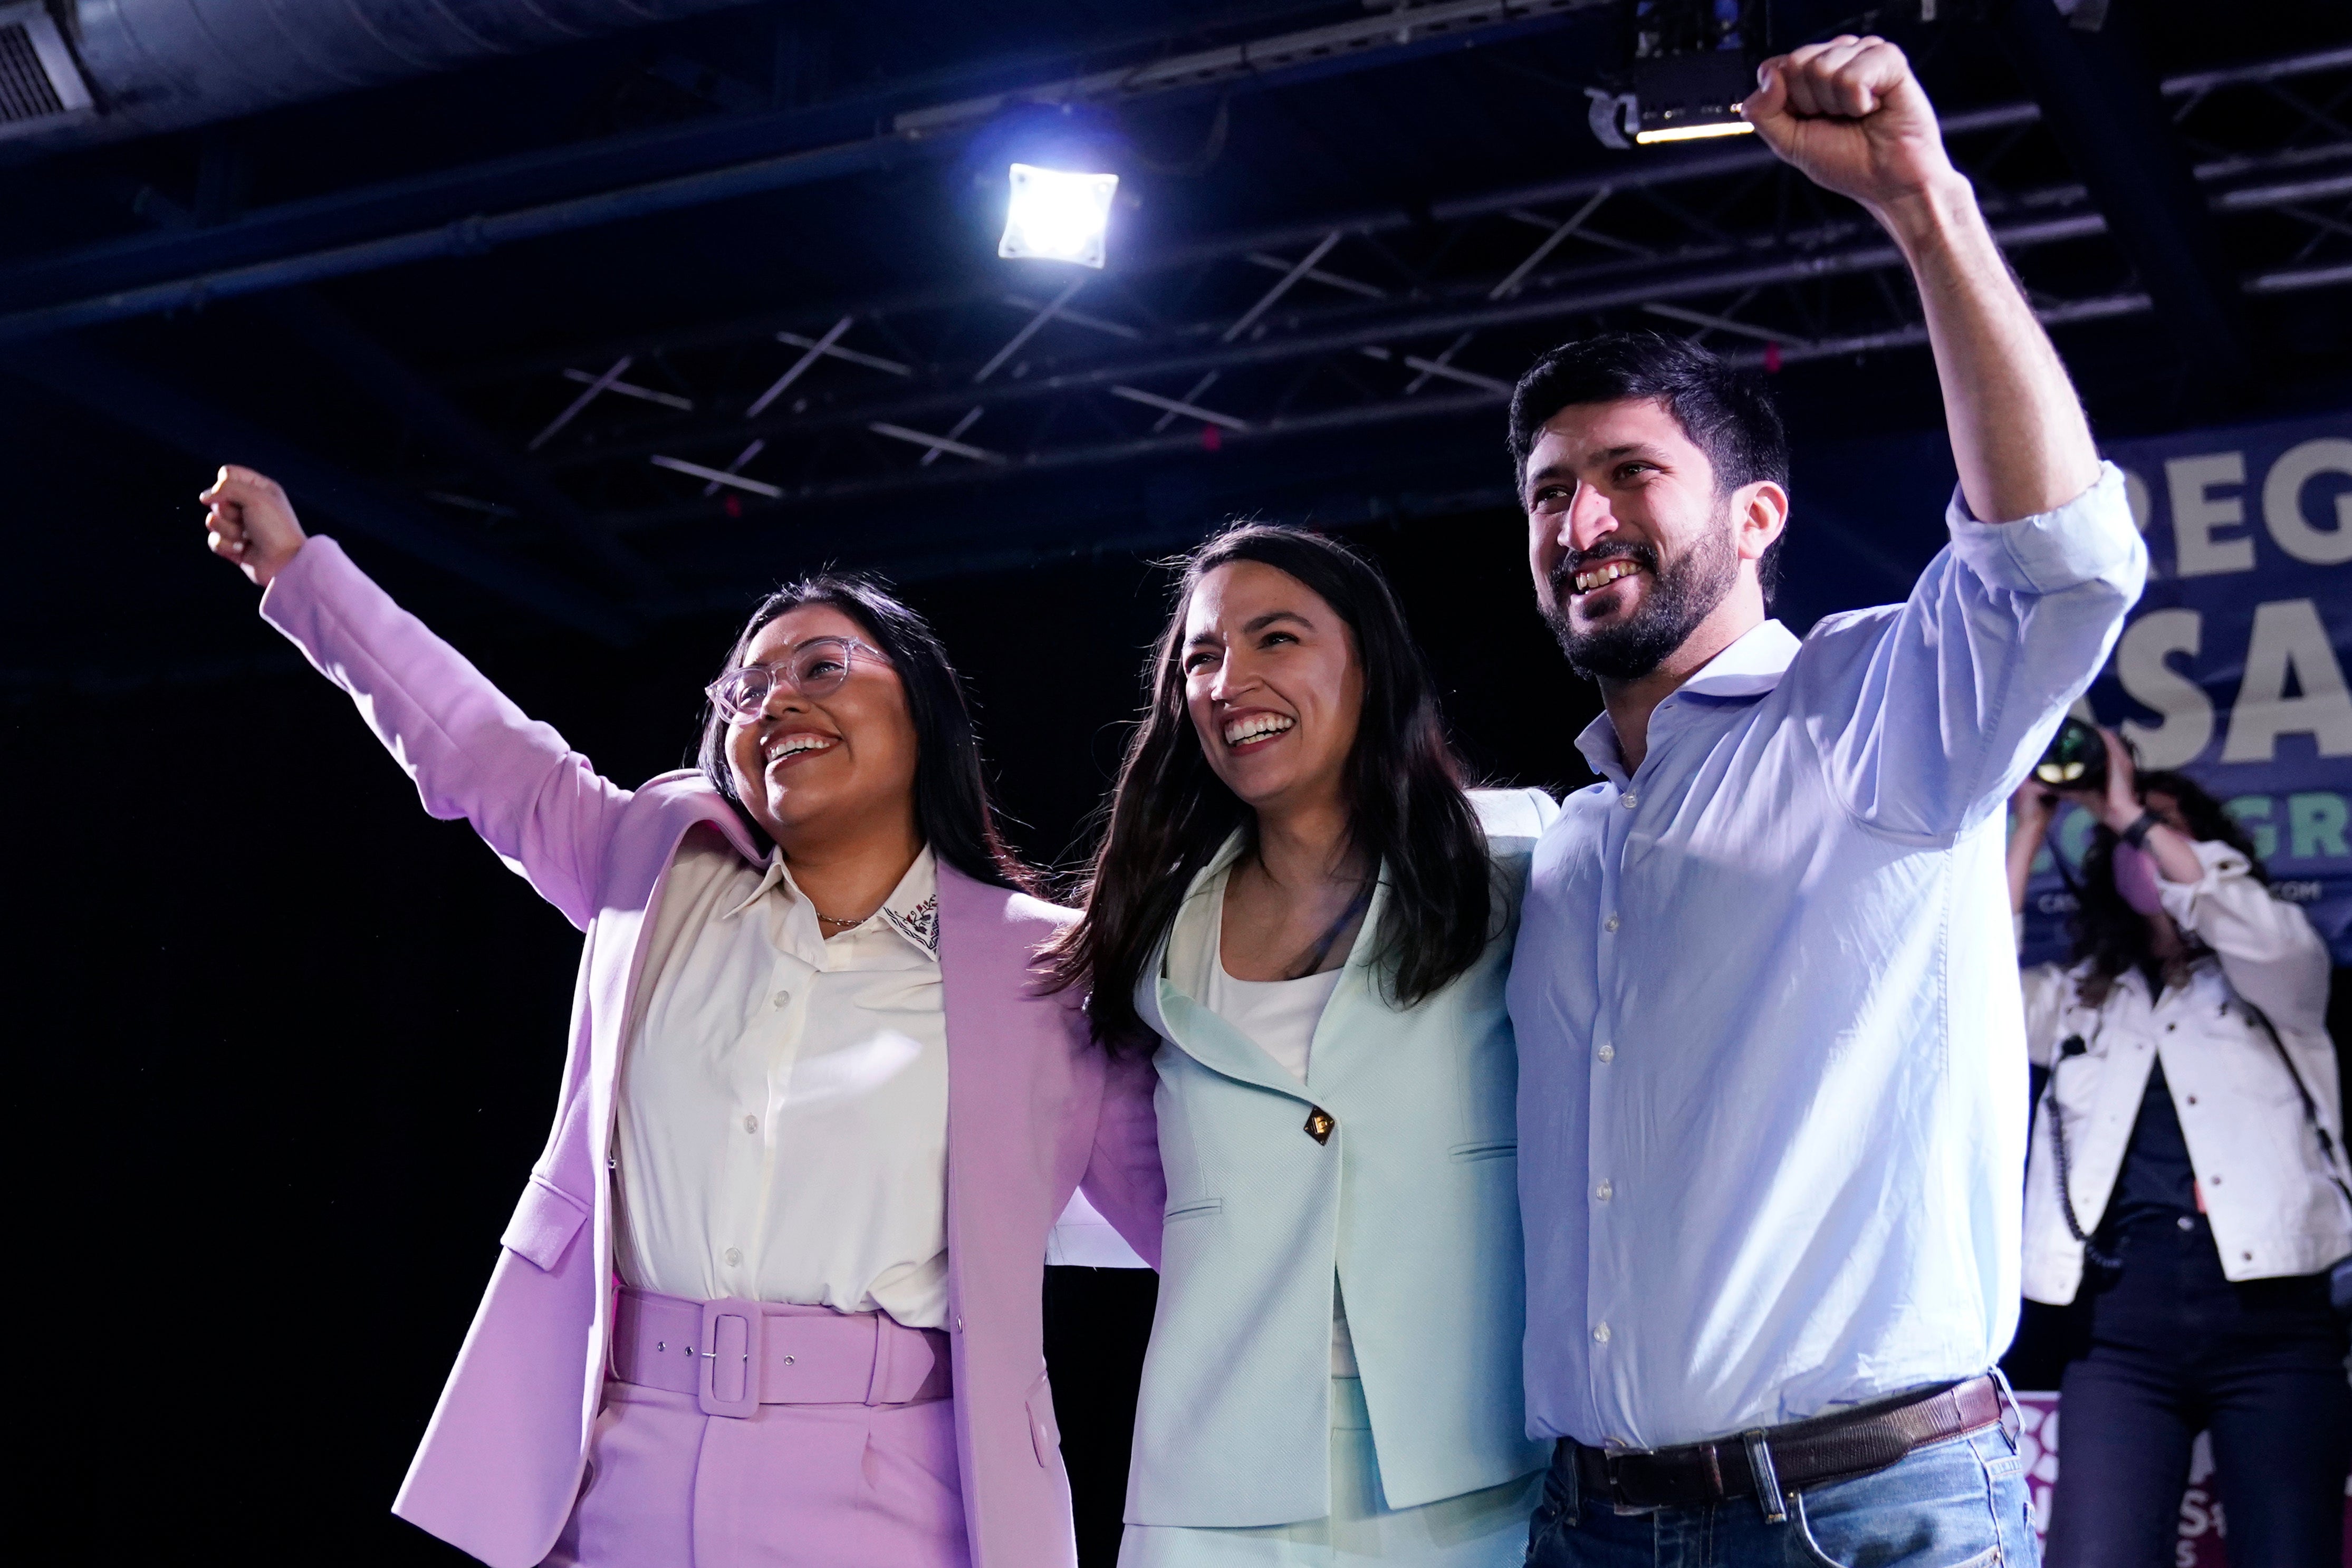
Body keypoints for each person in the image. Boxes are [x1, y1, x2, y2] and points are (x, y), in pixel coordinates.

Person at [195, 466, 1162, 1568]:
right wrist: (297, 568)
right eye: (744, 689)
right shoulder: (652, 868)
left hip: (894, 1488)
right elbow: (476, 746)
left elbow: (1199, 1209)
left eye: (820, 666)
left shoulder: (1045, 967)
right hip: (623, 1469)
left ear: (924, 702)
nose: (777, 699)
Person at [1505, 34, 2148, 1568]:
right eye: (1543, 490)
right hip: (1588, 1522)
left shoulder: (1870, 718)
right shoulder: (1561, 840)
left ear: (1755, 514)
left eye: (1625, 473)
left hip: (1858, 1521)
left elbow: (2060, 561)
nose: (1578, 519)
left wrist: (1923, 204)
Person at [1046, 525, 1554, 1566]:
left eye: (1276, 638)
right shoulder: (1144, 930)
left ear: (1367, 665)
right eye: (1201, 656)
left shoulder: (1513, 875)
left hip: (1480, 1464)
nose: (1230, 680)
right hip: (1215, 1483)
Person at [2007, 728, 2351, 1568]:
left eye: (2158, 832)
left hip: (2276, 1324)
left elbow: (2271, 942)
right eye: (2121, 840)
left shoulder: (2281, 979)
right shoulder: (2079, 998)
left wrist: (2125, 808)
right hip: (2121, 1331)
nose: (2136, 848)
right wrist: (2030, 826)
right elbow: (1962, 988)